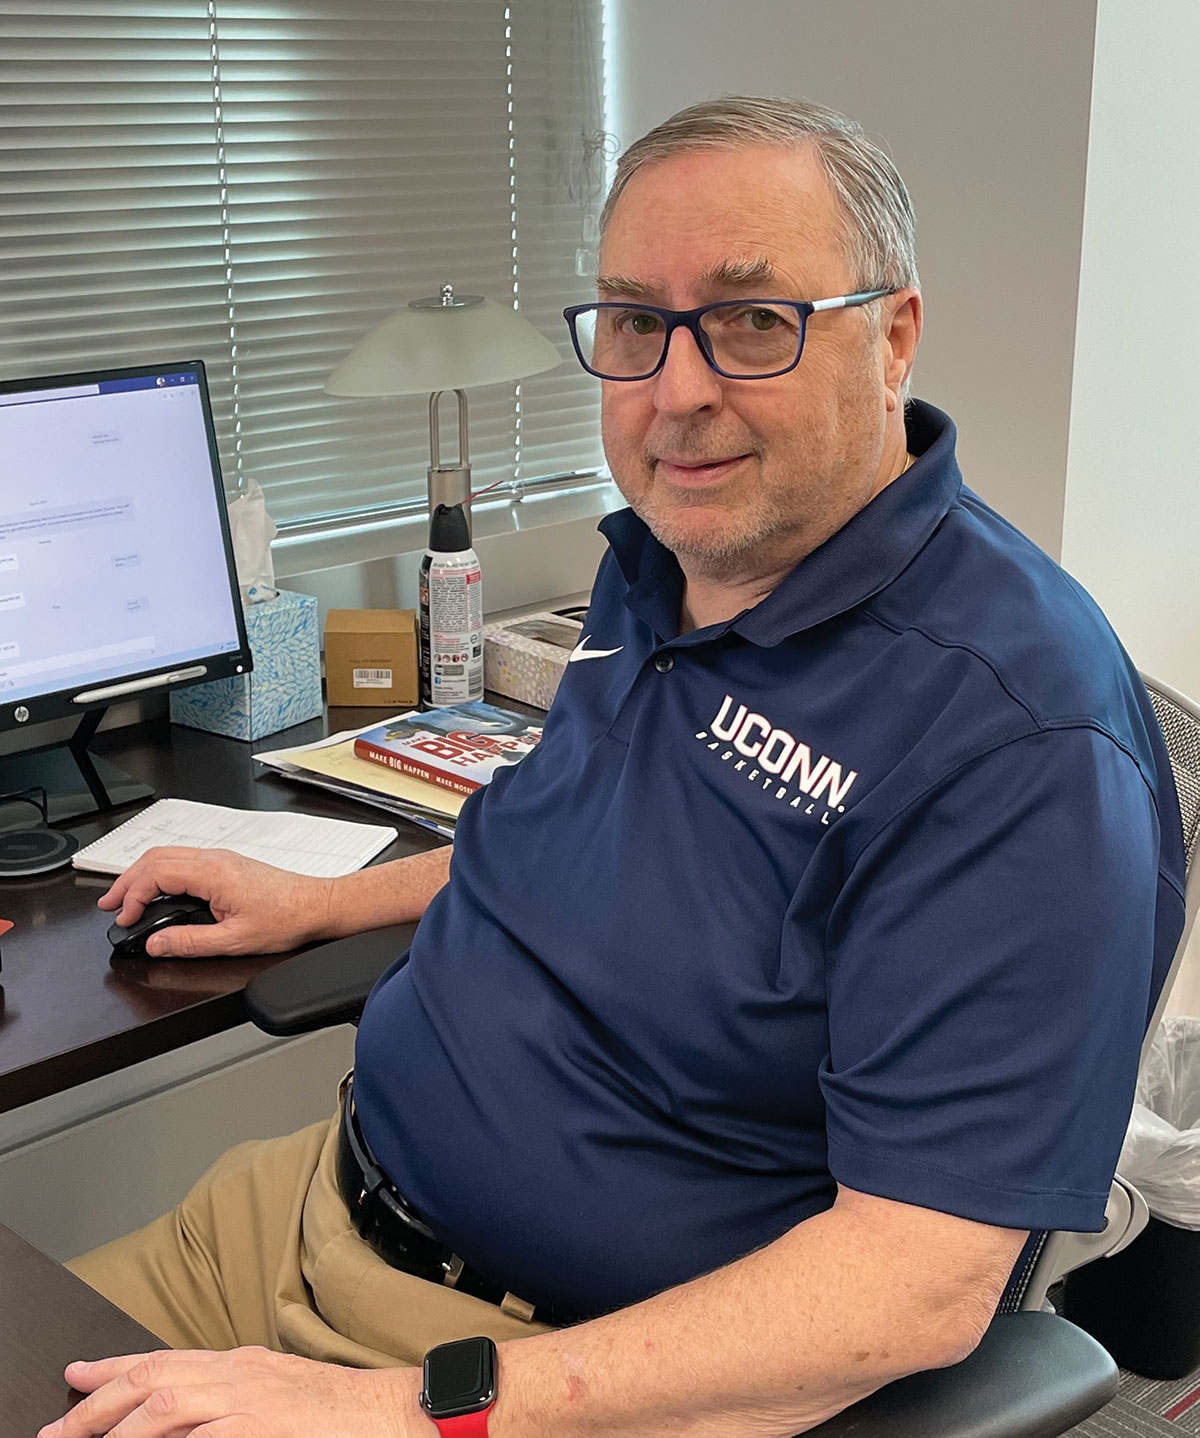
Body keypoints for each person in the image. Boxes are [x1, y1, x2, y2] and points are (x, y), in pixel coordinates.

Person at [46, 96, 1185, 1438]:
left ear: (892, 337)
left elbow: (914, 1286)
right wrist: (322, 902)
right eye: (638, 321)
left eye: (754, 320)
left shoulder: (1018, 732)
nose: (678, 392)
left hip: (534, 1375)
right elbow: (569, 847)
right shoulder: (666, 562)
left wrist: (415, 1407)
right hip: (293, 1215)